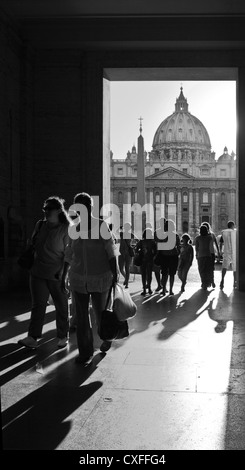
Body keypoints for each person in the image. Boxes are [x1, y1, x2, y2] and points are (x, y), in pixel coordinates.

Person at [64, 192, 119, 365]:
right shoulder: (74, 228)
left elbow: (111, 251)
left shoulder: (101, 226)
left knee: (100, 313)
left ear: (90, 207)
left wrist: (115, 273)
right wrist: (63, 274)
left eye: (84, 206)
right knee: (80, 317)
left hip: (100, 277)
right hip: (79, 278)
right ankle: (85, 352)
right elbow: (69, 254)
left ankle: (106, 336)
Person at [18, 196, 71, 349]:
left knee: (61, 305)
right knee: (38, 305)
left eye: (50, 209)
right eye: (45, 209)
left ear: (59, 211)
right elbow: (33, 244)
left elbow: (69, 254)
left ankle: (62, 335)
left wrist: (64, 274)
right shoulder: (40, 225)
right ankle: (33, 336)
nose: (46, 212)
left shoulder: (66, 228)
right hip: (37, 272)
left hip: (57, 274)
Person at [156, 219, 181, 296]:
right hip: (173, 256)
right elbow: (179, 247)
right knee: (172, 274)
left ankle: (163, 290)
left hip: (164, 256)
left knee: (164, 274)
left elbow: (159, 246)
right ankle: (170, 290)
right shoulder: (176, 235)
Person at [135, 227, 157, 296]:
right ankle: (149, 288)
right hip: (150, 260)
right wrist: (153, 256)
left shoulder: (141, 242)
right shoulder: (153, 242)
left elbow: (136, 249)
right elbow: (156, 251)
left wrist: (140, 252)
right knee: (149, 275)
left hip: (143, 260)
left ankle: (144, 289)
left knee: (143, 275)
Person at [195, 224, 214, 290]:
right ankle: (207, 282)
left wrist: (196, 255)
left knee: (201, 270)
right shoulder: (209, 237)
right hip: (208, 255)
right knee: (207, 270)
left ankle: (203, 283)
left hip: (201, 255)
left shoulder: (197, 238)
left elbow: (196, 248)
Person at [201, 221, 220, 287]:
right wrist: (218, 252)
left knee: (205, 268)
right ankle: (212, 281)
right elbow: (216, 244)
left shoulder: (202, 236)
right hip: (212, 253)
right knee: (211, 268)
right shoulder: (212, 234)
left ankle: (206, 282)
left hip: (205, 253)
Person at [219, 220, 237, 289]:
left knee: (224, 267)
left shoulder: (223, 232)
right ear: (233, 226)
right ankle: (235, 282)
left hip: (226, 251)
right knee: (235, 267)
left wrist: (220, 251)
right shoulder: (235, 232)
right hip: (234, 251)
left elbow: (221, 242)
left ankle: (222, 280)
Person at [118, 223, 135, 288]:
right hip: (121, 253)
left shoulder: (131, 235)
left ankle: (127, 283)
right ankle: (126, 278)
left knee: (127, 268)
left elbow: (138, 241)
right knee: (121, 268)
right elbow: (116, 231)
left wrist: (132, 247)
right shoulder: (122, 234)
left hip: (127, 254)